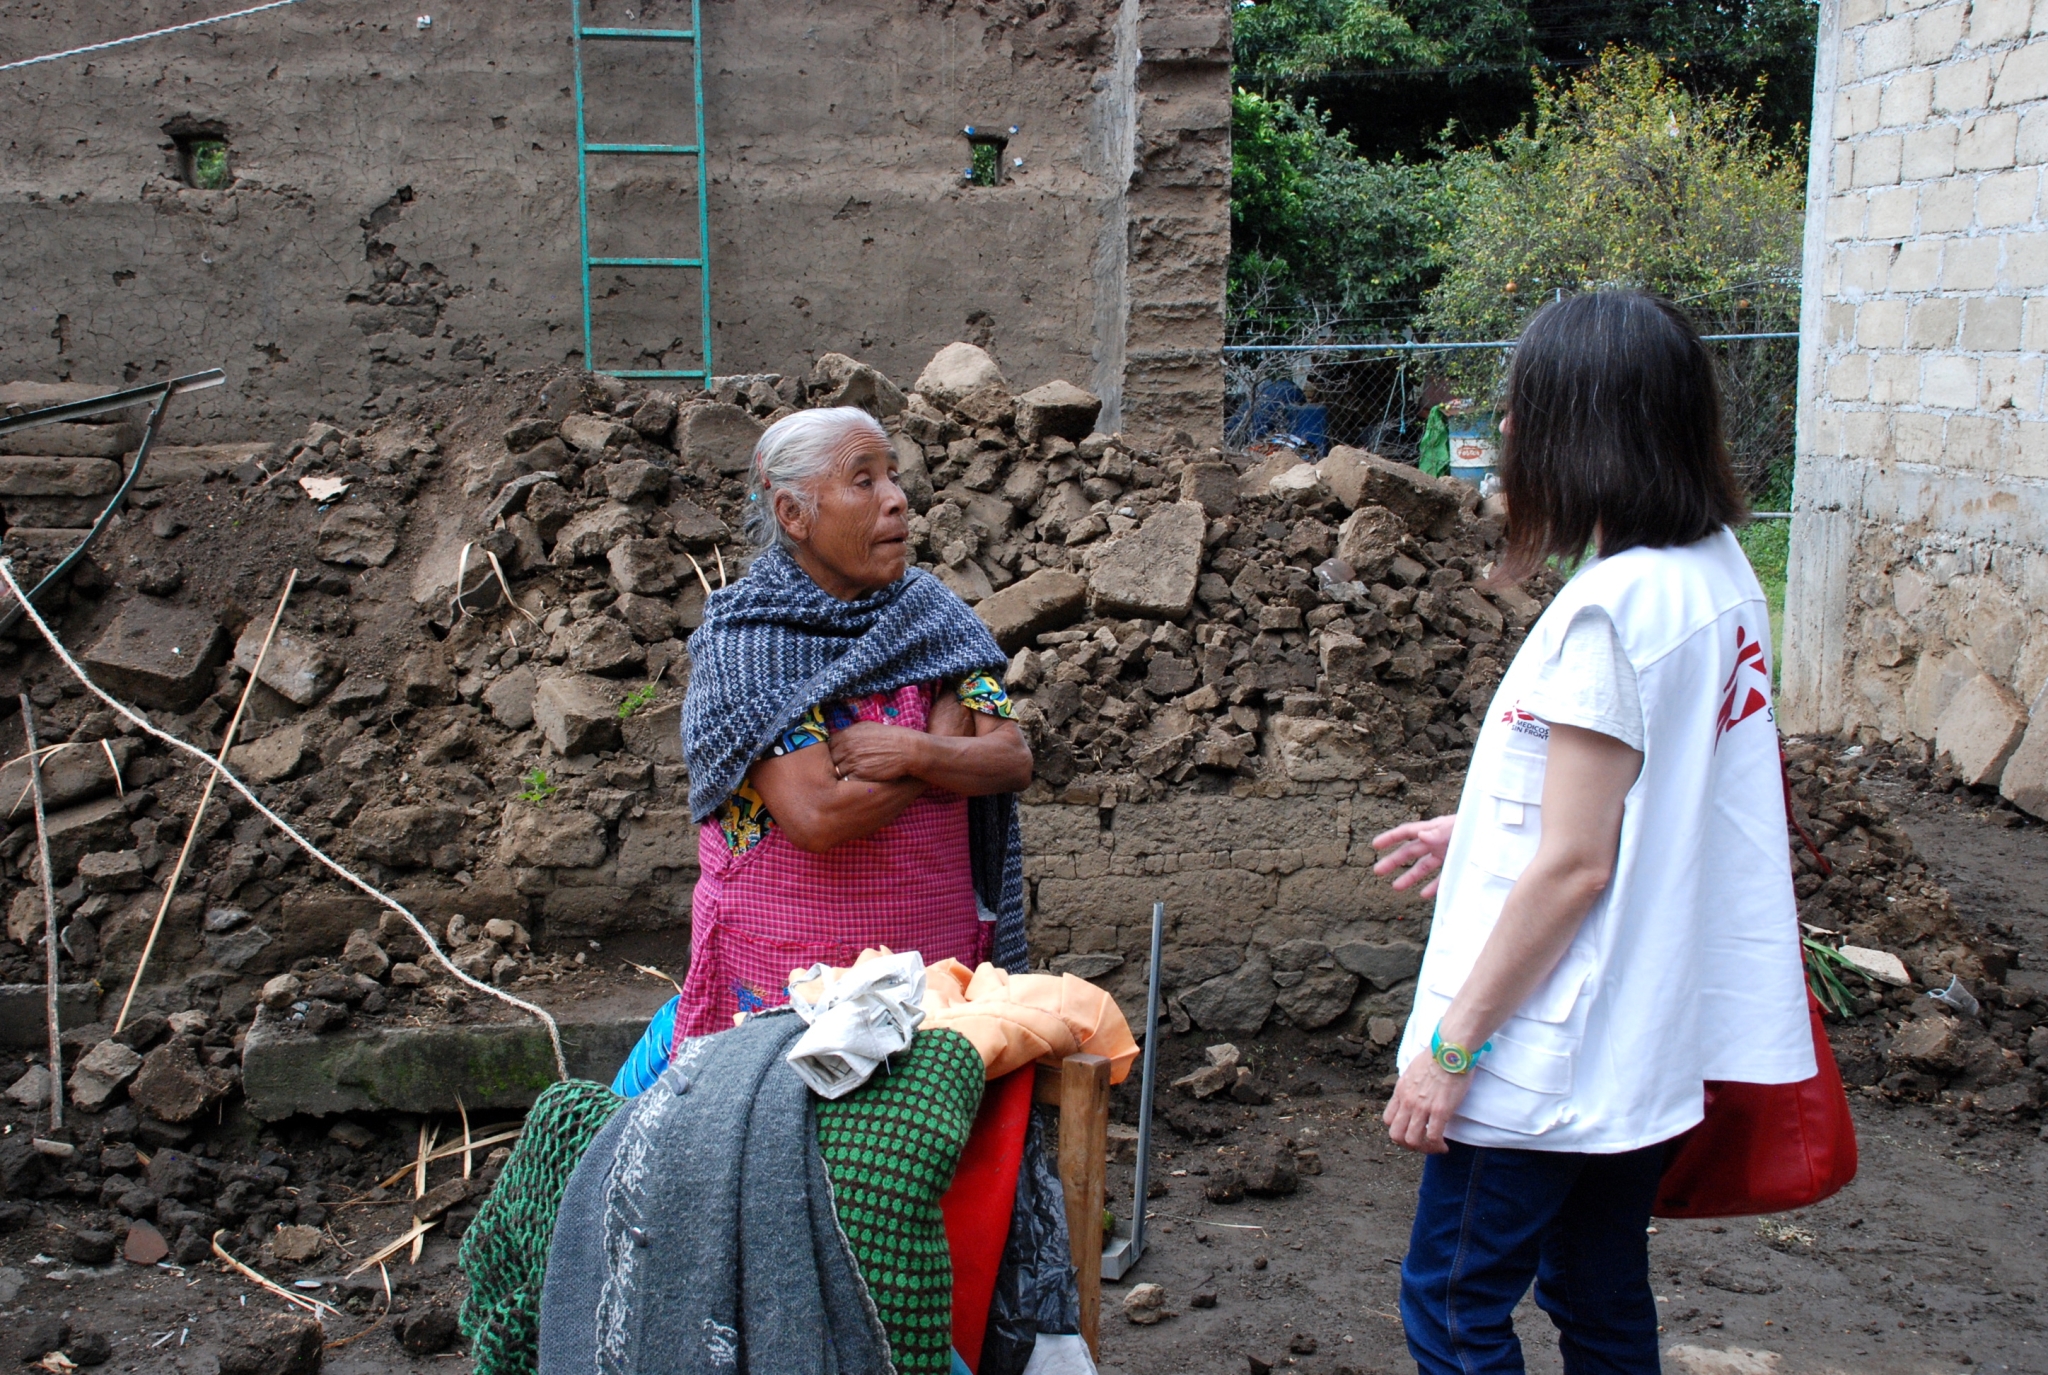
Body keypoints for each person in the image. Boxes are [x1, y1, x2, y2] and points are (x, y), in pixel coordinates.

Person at [1367, 291, 1814, 1375]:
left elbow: (1573, 862)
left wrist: (1449, 1050)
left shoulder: (1611, 608)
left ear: (1589, 425)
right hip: (1639, 1034)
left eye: (1527, 407)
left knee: (1452, 1306)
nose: (1511, 430)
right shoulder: (1713, 576)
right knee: (1598, 1291)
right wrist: (1478, 829)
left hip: (1540, 1048)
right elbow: (1648, 789)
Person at [666, 405, 1032, 1040]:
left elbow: (1011, 759)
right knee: (790, 1133)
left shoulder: (931, 618)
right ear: (794, 514)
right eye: (863, 481)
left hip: (933, 968)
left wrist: (911, 751)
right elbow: (818, 816)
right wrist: (944, 751)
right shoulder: (750, 642)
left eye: (893, 475)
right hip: (793, 976)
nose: (896, 500)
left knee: (932, 1125)